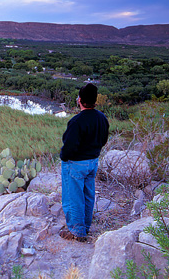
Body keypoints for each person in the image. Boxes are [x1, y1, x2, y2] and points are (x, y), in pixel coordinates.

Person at [59, 83, 109, 242]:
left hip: (76, 164)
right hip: (93, 162)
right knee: (88, 195)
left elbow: (69, 147)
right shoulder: (102, 118)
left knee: (73, 197)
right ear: (95, 100)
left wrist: (63, 157)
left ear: (80, 100)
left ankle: (77, 232)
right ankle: (85, 226)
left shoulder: (76, 121)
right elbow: (104, 140)